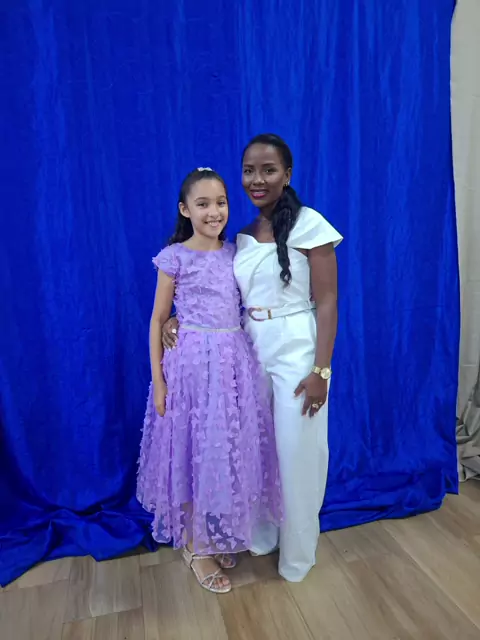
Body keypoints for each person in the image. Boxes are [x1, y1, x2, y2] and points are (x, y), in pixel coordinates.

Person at [163, 135, 342, 582]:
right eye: (249, 171)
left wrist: (321, 370)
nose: (257, 179)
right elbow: (215, 292)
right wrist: (178, 318)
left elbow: (327, 301)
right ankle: (260, 534)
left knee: (297, 451)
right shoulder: (240, 237)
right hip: (249, 346)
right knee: (256, 447)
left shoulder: (310, 225)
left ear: (288, 174)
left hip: (296, 344)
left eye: (268, 170)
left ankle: (297, 553)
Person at [137, 167, 282, 595]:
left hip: (232, 366)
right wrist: (159, 381)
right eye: (203, 204)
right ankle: (195, 546)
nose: (214, 212)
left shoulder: (234, 252)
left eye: (221, 202)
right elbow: (158, 319)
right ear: (185, 209)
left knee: (222, 450)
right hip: (191, 370)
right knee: (189, 450)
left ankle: (212, 534)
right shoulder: (174, 257)